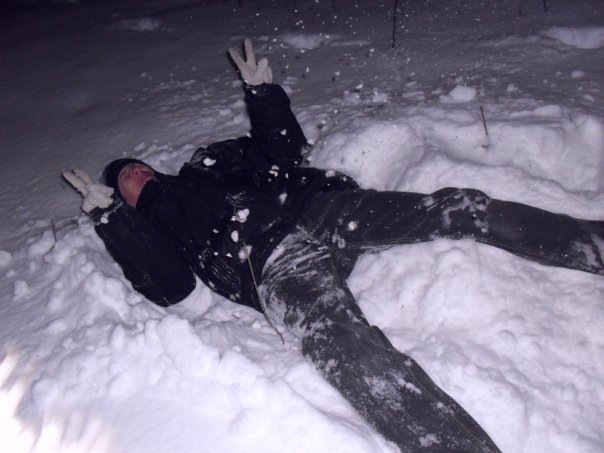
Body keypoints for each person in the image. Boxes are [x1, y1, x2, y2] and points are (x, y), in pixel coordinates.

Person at [63, 39, 604, 453]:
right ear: (123, 197)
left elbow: (283, 152)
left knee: (456, 207)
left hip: (317, 210)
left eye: (135, 165)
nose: (134, 172)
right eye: (124, 178)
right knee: (345, 349)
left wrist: (264, 97)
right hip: (272, 266)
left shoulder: (206, 163)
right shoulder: (152, 230)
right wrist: (113, 222)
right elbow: (172, 287)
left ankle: (592, 244)